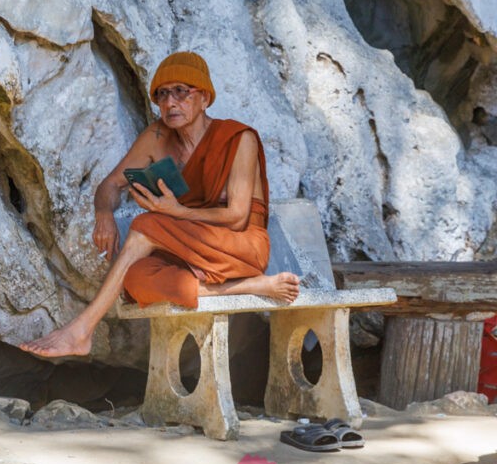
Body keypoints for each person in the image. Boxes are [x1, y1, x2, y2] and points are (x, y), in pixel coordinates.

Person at [20, 51, 300, 358]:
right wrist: (104, 213)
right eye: (163, 94)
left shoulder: (237, 138)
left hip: (242, 247)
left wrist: (177, 212)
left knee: (144, 225)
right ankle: (251, 287)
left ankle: (81, 330)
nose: (170, 103)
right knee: (136, 278)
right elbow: (111, 184)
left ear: (204, 98)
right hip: (193, 252)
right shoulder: (157, 137)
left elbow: (236, 217)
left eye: (182, 92)